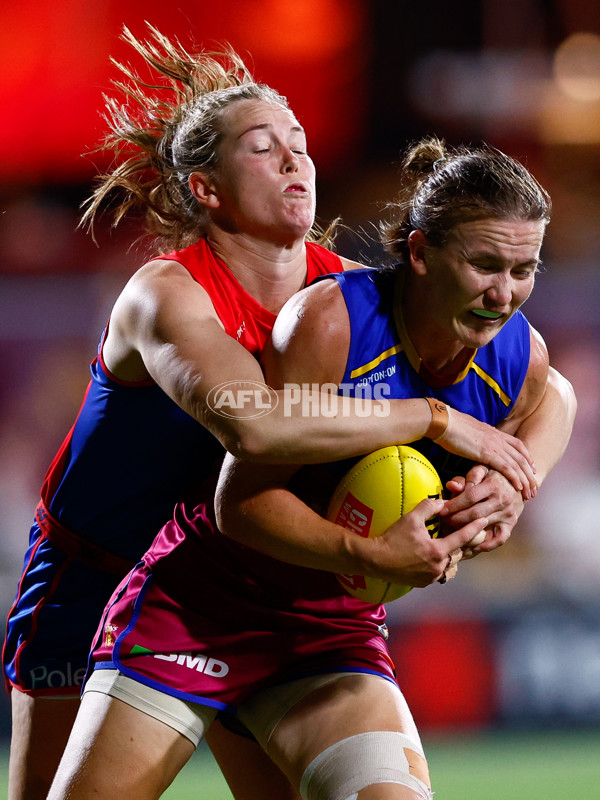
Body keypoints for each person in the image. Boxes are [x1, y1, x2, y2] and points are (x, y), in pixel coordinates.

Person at [1, 26, 547, 800]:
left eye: (300, 141)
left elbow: (547, 387)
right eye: (264, 146)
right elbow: (253, 425)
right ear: (206, 188)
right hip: (99, 573)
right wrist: (432, 419)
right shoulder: (166, 294)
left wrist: (519, 477)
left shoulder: (346, 298)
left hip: (251, 574)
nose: (296, 158)